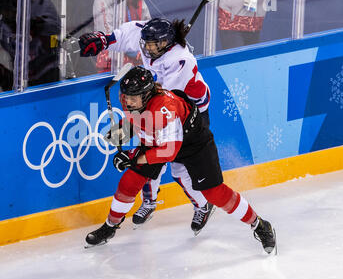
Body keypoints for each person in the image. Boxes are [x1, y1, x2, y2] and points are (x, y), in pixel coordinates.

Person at [85, 66, 276, 255]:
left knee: (214, 194)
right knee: (129, 182)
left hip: (192, 144)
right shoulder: (130, 98)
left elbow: (168, 151)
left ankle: (259, 224)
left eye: (132, 98)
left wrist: (134, 157)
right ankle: (110, 227)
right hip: (162, 140)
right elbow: (141, 122)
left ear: (146, 95)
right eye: (126, 96)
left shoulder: (166, 108)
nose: (127, 101)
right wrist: (123, 130)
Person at [78, 18, 214, 235]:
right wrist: (105, 40)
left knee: (178, 170)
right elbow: (125, 36)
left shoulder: (181, 61)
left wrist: (127, 127)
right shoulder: (148, 35)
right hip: (158, 109)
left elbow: (161, 104)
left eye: (154, 45)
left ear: (167, 43)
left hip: (187, 112)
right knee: (148, 159)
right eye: (147, 44)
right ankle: (150, 202)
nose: (148, 48)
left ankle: (203, 205)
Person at [0, 0, 61, 93]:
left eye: (12, 12)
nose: (7, 16)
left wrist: (38, 25)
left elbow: (56, 30)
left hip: (47, 72)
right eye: (4, 11)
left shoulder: (42, 5)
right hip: (18, 77)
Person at [92, 0, 151, 73]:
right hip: (112, 64)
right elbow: (106, 35)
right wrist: (134, 50)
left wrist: (145, 50)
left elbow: (148, 28)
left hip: (139, 62)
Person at [201, 0, 277, 50]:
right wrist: (225, 7)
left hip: (255, 26)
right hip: (231, 24)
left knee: (250, 63)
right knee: (235, 62)